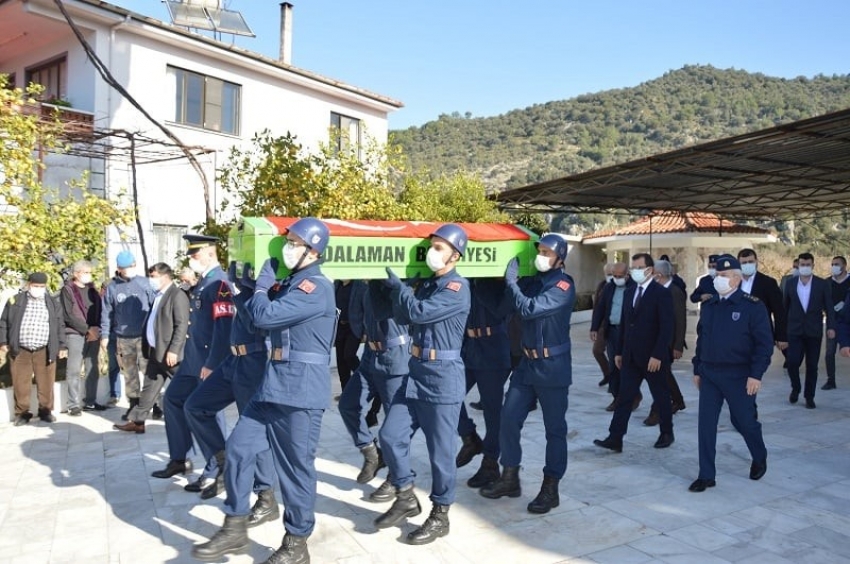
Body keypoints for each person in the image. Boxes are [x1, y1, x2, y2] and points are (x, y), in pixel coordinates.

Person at [192, 217, 336, 564]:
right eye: (287, 242)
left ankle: (297, 542)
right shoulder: (289, 284)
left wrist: (260, 288)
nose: (288, 249)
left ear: (312, 251)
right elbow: (252, 316)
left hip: (300, 392)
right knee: (240, 449)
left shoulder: (316, 287)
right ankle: (235, 525)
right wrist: (247, 289)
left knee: (297, 470)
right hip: (272, 385)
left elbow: (266, 318)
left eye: (295, 244)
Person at [374, 224, 470, 545]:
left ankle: (440, 514)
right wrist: (390, 289)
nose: (433, 251)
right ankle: (404, 494)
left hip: (442, 379)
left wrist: (401, 289)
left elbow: (418, 312)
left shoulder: (457, 288)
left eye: (440, 247)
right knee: (390, 436)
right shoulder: (429, 284)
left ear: (455, 255)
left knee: (441, 455)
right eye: (433, 245)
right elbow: (403, 315)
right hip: (415, 372)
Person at [480, 233, 575, 515]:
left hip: (552, 367)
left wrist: (511, 282)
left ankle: (551, 487)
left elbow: (529, 309)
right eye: (540, 251)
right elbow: (500, 308)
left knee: (554, 430)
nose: (541, 256)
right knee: (508, 419)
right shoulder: (532, 281)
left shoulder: (563, 286)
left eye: (547, 252)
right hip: (526, 365)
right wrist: (479, 280)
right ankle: (510, 477)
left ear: (559, 258)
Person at [183, 260, 280, 513]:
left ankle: (266, 496)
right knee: (195, 406)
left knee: (254, 430)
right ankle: (221, 459)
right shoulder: (234, 286)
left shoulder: (268, 289)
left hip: (254, 361)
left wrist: (249, 290)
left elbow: (256, 323)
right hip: (232, 360)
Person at [151, 235, 233, 484]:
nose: (191, 259)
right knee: (173, 400)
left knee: (206, 412)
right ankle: (179, 458)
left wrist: (212, 363)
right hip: (192, 360)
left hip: (208, 361)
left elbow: (223, 328)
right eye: (190, 255)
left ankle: (215, 467)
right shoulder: (204, 282)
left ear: (210, 253)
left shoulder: (219, 283)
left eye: (195, 255)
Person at [688, 254, 772, 492]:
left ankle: (759, 454)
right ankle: (706, 475)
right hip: (710, 374)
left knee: (744, 421)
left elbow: (763, 345)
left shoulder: (752, 306)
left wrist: (756, 375)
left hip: (739, 376)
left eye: (723, 276)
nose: (718, 279)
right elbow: (702, 339)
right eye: (717, 275)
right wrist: (697, 368)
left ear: (736, 279)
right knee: (705, 424)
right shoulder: (710, 305)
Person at [594, 253, 675, 453]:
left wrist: (658, 354)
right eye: (633, 268)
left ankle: (666, 432)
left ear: (650, 270)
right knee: (625, 397)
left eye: (639, 267)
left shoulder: (661, 293)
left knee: (661, 396)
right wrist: (619, 352)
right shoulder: (630, 292)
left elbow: (667, 328)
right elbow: (625, 325)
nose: (635, 271)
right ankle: (615, 438)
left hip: (652, 357)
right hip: (630, 356)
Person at [338, 280, 409, 494]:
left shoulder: (394, 283)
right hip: (370, 355)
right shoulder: (363, 284)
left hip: (394, 356)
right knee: (347, 404)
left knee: (394, 426)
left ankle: (396, 476)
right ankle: (371, 452)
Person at [114, 263, 189, 434]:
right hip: (156, 351)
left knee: (187, 386)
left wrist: (174, 350)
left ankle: (196, 415)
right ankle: (138, 421)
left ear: (164, 277)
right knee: (149, 389)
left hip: (170, 353)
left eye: (153, 276)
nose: (151, 280)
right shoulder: (158, 295)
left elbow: (181, 325)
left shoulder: (177, 295)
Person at [455, 277, 512, 487]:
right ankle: (469, 437)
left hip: (494, 350)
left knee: (492, 412)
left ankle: (490, 464)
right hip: (470, 349)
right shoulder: (463, 281)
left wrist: (480, 283)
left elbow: (501, 310)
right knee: (449, 397)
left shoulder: (500, 283)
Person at [0, 272, 67, 425]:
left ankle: (46, 411)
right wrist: (3, 341)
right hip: (21, 349)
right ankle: (22, 413)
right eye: (35, 286)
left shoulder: (52, 302)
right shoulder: (15, 300)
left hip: (44, 349)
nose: (38, 289)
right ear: (28, 285)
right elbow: (4, 322)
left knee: (46, 382)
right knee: (20, 382)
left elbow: (60, 325)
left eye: (41, 286)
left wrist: (62, 345)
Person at [100, 251, 154, 421]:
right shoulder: (113, 288)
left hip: (144, 336)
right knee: (129, 373)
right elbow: (107, 313)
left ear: (134, 265)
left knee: (149, 371)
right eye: (124, 268)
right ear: (118, 269)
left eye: (130, 267)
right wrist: (105, 335)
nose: (128, 270)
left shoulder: (145, 284)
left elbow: (155, 308)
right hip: (123, 337)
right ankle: (133, 404)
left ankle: (156, 404)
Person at [783, 252, 835, 409]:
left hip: (814, 330)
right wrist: (781, 330)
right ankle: (796, 388)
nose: (804, 267)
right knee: (792, 363)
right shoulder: (790, 283)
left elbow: (829, 307)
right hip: (794, 330)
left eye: (807, 265)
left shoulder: (822, 284)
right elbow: (785, 307)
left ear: (813, 265)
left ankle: (809, 396)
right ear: (798, 265)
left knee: (812, 366)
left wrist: (831, 327)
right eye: (802, 264)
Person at [643, 259, 687, 426]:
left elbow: (680, 320)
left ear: (658, 275)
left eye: (652, 273)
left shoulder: (674, 292)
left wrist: (677, 345)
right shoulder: (656, 291)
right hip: (656, 341)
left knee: (659, 376)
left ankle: (657, 411)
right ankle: (677, 400)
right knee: (664, 374)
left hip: (667, 344)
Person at [590, 262, 637, 411]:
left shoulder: (634, 288)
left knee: (627, 367)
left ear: (627, 275)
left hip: (629, 333)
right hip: (612, 331)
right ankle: (617, 398)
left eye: (619, 276)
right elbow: (600, 307)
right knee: (613, 366)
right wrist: (594, 327)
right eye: (614, 275)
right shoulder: (609, 287)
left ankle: (633, 395)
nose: (616, 278)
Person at [60, 260, 105, 415]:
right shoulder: (67, 290)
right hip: (75, 334)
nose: (88, 275)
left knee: (92, 368)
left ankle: (90, 402)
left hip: (93, 333)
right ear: (76, 273)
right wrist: (87, 330)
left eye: (89, 272)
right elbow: (68, 315)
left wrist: (96, 329)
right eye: (85, 272)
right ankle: (73, 404)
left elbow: (99, 310)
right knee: (74, 369)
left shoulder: (92, 290)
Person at [823, 256, 850, 390]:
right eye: (832, 264)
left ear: (844, 266)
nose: (834, 266)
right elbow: (822, 300)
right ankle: (831, 380)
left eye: (837, 264)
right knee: (829, 352)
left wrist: (845, 305)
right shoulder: (827, 282)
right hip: (832, 321)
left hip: (848, 321)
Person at [334, 279, 362, 395]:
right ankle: (346, 393)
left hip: (353, 327)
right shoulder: (336, 285)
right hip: (339, 327)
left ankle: (364, 381)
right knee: (341, 362)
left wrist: (365, 331)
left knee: (349, 355)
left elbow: (365, 306)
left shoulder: (359, 285)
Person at [591, 264, 613, 387]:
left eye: (612, 273)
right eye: (607, 274)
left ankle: (614, 379)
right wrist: (594, 327)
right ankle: (608, 374)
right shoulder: (602, 285)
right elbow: (597, 307)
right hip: (602, 325)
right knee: (597, 350)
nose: (610, 276)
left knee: (614, 355)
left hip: (616, 326)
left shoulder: (621, 286)